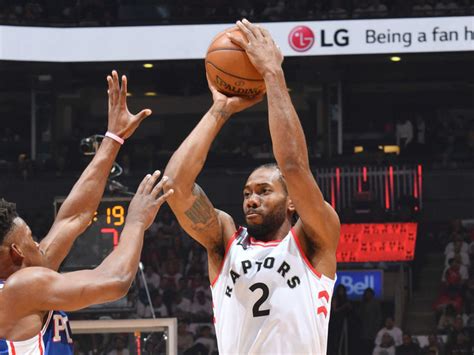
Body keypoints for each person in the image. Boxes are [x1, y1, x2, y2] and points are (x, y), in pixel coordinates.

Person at [163, 19, 340, 354]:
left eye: (263, 191)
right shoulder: (225, 241)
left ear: (291, 203)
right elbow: (175, 186)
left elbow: (293, 167)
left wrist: (273, 74)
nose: (252, 200)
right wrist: (218, 110)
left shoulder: (313, 239)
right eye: (247, 193)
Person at [0, 71, 173, 354]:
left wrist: (114, 138)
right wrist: (136, 222)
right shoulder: (22, 286)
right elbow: (115, 281)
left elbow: (74, 217)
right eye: (31, 238)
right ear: (17, 252)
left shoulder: (26, 280)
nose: (38, 243)